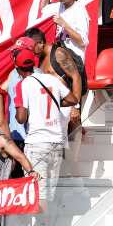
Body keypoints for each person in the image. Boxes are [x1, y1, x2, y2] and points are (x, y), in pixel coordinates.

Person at [11, 50, 70, 205]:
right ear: (34, 64)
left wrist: (18, 113)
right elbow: (72, 99)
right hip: (57, 142)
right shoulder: (51, 79)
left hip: (37, 144)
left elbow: (21, 118)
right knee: (49, 195)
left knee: (38, 195)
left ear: (17, 69)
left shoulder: (22, 84)